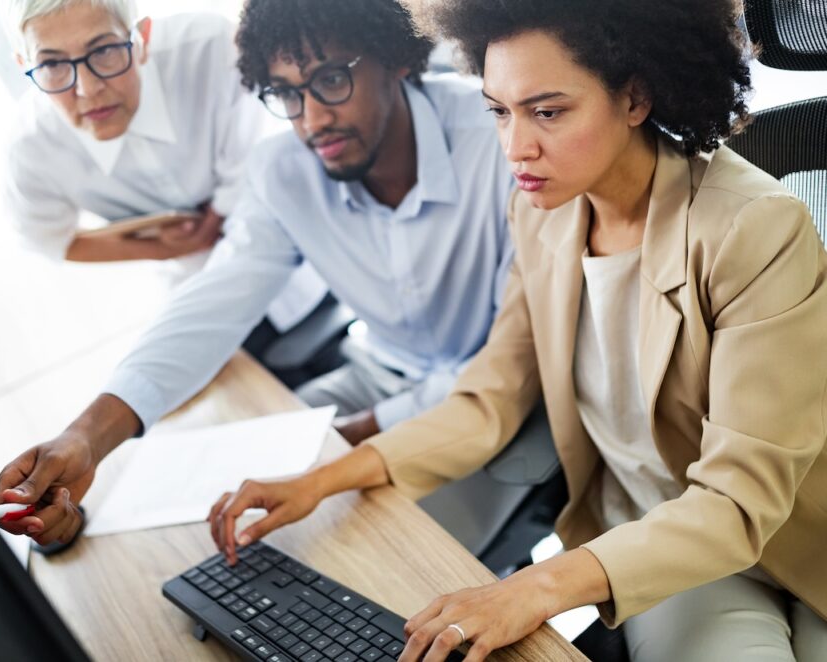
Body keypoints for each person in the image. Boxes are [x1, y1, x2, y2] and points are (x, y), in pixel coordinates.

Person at [208, 1, 827, 660]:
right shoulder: (543, 214)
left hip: (783, 535)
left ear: (635, 97)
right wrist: (324, 477)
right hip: (651, 552)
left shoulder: (754, 227)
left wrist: (533, 588)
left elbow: (738, 502)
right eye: (500, 111)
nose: (516, 146)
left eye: (548, 112)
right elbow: (489, 401)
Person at [0, 0, 515, 547]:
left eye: (332, 80)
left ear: (396, 59)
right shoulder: (285, 171)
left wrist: (350, 438)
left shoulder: (500, 140)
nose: (311, 121)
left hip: (504, 408)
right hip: (384, 376)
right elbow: (211, 306)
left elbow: (512, 363)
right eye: (286, 94)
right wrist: (85, 439)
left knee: (361, 553)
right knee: (220, 497)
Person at [0, 0, 327, 332]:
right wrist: (159, 249)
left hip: (305, 258)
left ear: (143, 38)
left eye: (104, 51)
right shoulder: (31, 147)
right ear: (24, 65)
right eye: (52, 64)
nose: (87, 88)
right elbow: (46, 239)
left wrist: (211, 222)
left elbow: (253, 162)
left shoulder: (210, 47)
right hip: (200, 299)